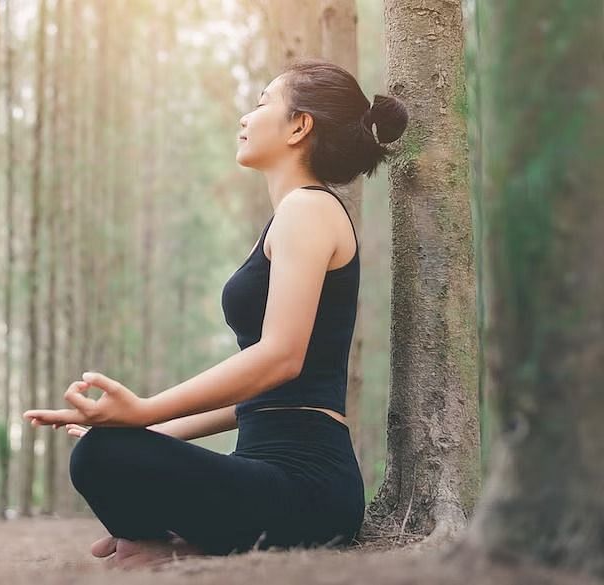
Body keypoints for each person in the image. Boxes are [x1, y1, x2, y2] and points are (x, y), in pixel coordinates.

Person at [23, 58, 409, 570]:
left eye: (263, 102)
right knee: (105, 449)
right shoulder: (290, 217)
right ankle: (180, 546)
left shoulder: (310, 210)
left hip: (309, 486)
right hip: (261, 470)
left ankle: (177, 546)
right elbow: (264, 396)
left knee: (101, 456)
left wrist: (145, 410)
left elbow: (281, 360)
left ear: (300, 125)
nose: (246, 117)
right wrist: (152, 433)